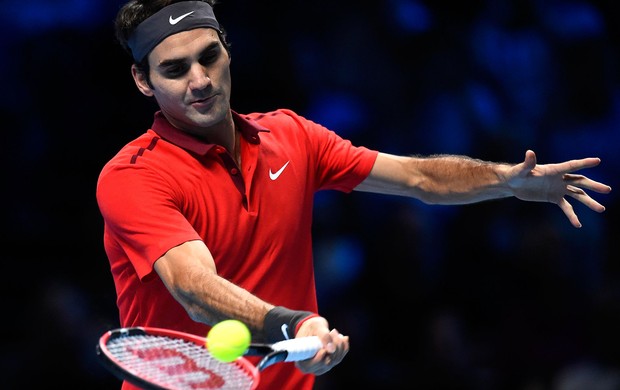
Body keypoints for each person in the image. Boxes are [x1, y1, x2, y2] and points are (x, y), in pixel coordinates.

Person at [96, 0, 612, 389]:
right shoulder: (132, 177)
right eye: (175, 69)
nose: (200, 79)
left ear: (228, 49)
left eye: (209, 56)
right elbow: (193, 286)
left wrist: (506, 179)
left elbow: (419, 178)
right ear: (143, 81)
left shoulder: (291, 136)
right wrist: (294, 323)